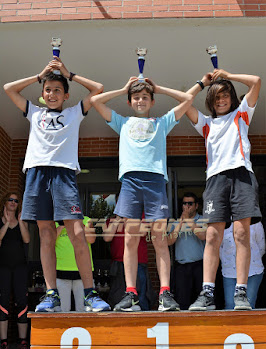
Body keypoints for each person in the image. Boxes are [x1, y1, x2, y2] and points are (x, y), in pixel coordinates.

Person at [3, 56, 110, 313]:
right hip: (37, 173)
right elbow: (9, 88)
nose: (52, 94)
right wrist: (41, 75)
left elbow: (98, 89)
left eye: (57, 90)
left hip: (63, 175)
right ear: (43, 94)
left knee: (76, 234)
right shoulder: (34, 112)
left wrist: (68, 73)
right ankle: (51, 294)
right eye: (48, 90)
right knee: (46, 234)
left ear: (66, 95)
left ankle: (90, 293)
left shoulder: (75, 112)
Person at [91, 76, 193, 312]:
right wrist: (124, 88)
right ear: (129, 101)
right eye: (136, 97)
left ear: (152, 101)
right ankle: (131, 294)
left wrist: (159, 87)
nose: (140, 100)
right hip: (130, 182)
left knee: (159, 240)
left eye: (145, 97)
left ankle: (165, 294)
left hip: (155, 181)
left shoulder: (162, 122)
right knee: (130, 239)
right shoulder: (122, 122)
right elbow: (96, 100)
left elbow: (188, 99)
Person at [185, 69, 261, 311]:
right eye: (216, 97)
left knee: (241, 235)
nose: (221, 100)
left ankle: (241, 293)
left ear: (232, 98)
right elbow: (185, 102)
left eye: (225, 95)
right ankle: (207, 293)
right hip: (215, 180)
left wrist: (227, 75)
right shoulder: (206, 124)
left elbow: (256, 81)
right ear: (211, 101)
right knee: (213, 236)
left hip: (241, 175)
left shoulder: (241, 114)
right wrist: (201, 83)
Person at [103, 214, 155, 311]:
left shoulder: (141, 215)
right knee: (117, 297)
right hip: (118, 263)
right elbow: (107, 238)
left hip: (138, 263)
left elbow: (143, 232)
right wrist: (118, 219)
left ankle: (145, 321)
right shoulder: (112, 220)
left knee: (141, 297)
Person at [0, 192, 30, 349]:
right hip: (3, 268)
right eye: (10, 200)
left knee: (22, 303)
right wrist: (6, 224)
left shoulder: (21, 221)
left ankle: (22, 342)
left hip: (20, 268)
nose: (13, 202)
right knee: (2, 303)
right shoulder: (0, 221)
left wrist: (19, 222)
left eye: (16, 201)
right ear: (4, 202)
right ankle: (3, 343)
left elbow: (27, 240)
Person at [168, 192, 206, 310]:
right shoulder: (175, 222)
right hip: (181, 267)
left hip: (199, 265)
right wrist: (180, 222)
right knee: (182, 301)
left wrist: (189, 220)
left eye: (190, 203)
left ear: (196, 206)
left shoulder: (203, 220)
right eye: (184, 203)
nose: (187, 206)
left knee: (201, 301)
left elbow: (203, 236)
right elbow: (169, 241)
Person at [220, 222, 265, 309]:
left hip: (252, 270)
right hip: (230, 272)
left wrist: (251, 261)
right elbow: (219, 247)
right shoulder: (223, 221)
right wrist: (227, 262)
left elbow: (261, 246)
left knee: (249, 304)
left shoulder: (255, 222)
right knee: (230, 305)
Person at [56, 217, 97, 312]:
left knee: (84, 310)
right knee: (62, 310)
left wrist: (82, 226)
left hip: (83, 273)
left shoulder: (86, 220)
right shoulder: (56, 221)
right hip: (60, 271)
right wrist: (63, 225)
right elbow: (50, 241)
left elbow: (91, 240)